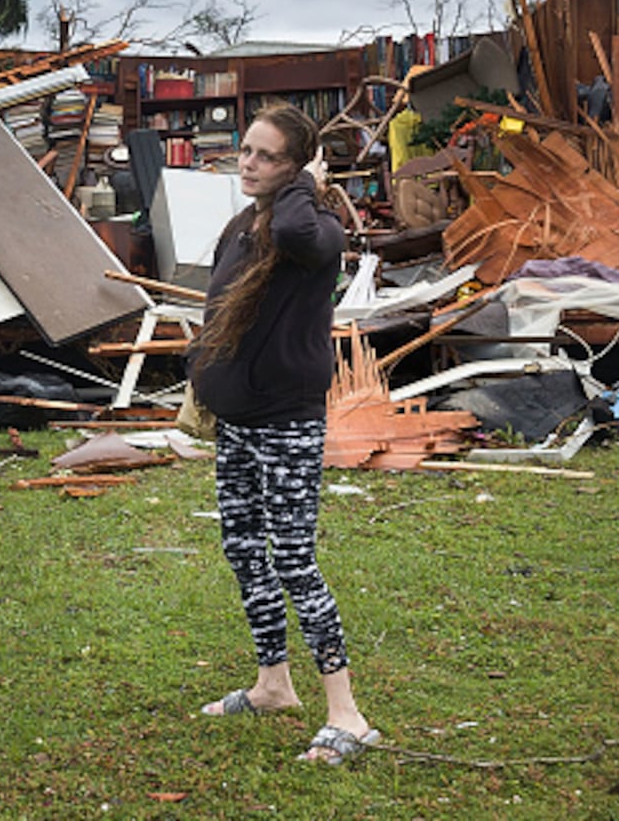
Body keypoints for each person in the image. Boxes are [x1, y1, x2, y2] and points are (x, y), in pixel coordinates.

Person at [186, 102, 379, 765]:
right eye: (245, 150)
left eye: (267, 156)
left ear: (295, 166)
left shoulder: (313, 224)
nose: (248, 163)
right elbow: (219, 302)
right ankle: (273, 683)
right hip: (239, 419)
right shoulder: (247, 223)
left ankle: (347, 714)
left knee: (294, 559)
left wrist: (308, 181)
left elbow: (300, 227)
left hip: (288, 420)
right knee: (243, 548)